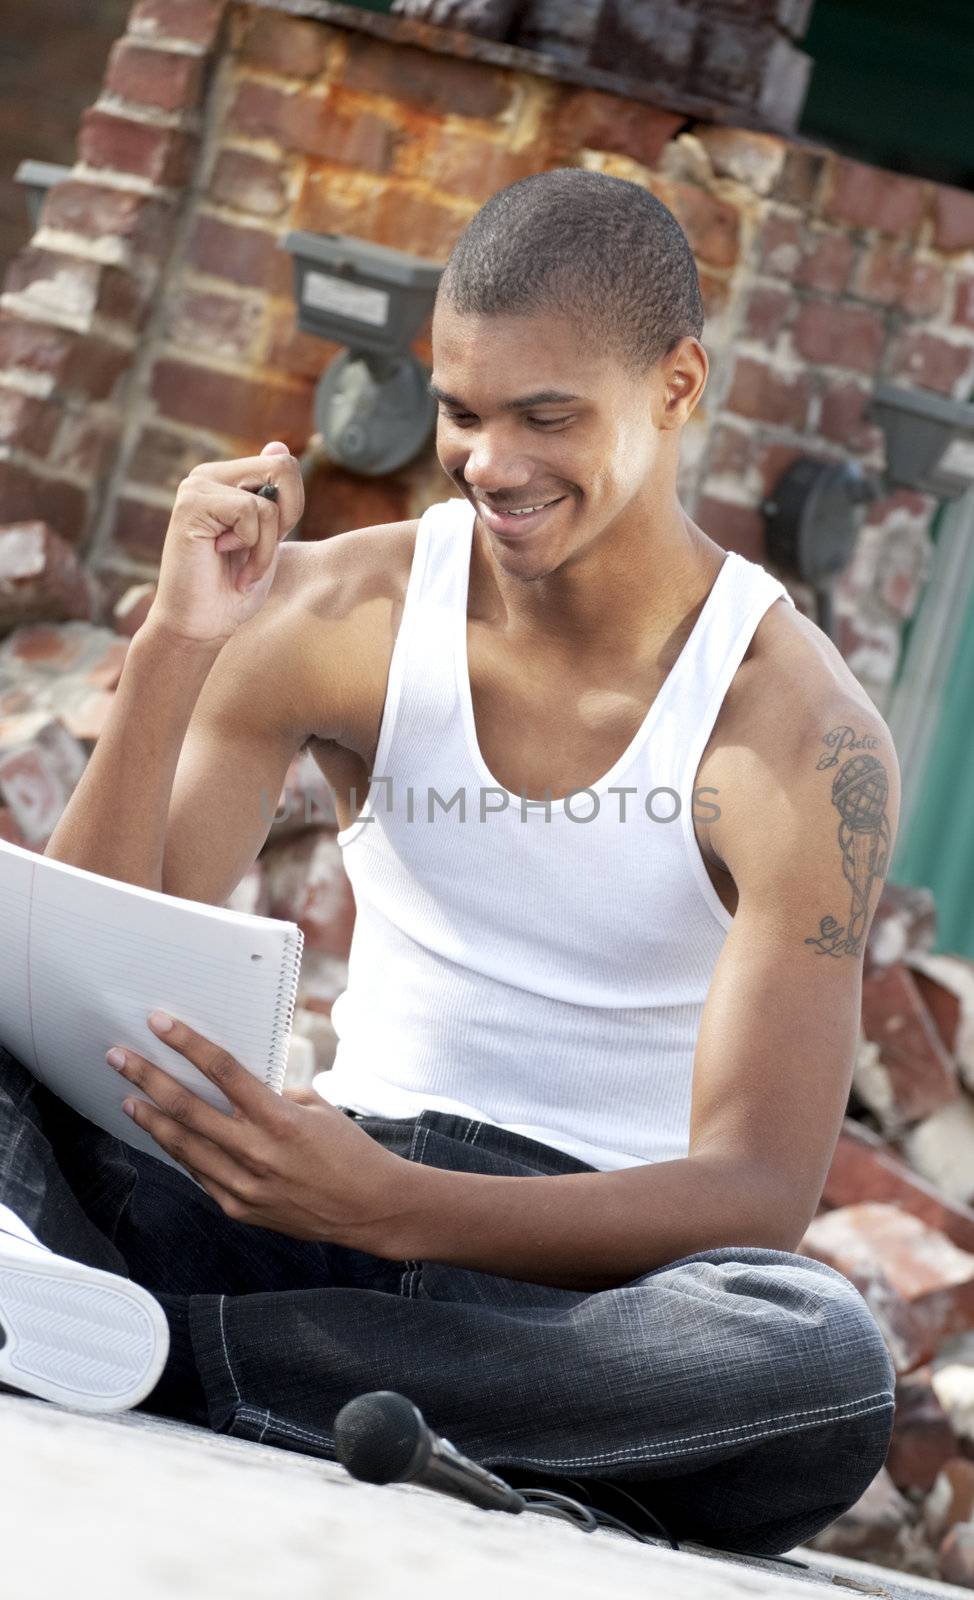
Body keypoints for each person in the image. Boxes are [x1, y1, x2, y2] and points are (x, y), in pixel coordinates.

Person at [0, 168, 898, 1556]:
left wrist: (396, 1207)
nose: (490, 462)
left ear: (675, 389)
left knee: (817, 1369)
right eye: (462, 412)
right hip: (313, 1201)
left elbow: (754, 1194)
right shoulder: (337, 606)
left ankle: (174, 1357)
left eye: (548, 417)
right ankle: (268, 1362)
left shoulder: (793, 731)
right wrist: (180, 645)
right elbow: (90, 953)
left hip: (577, 1292)